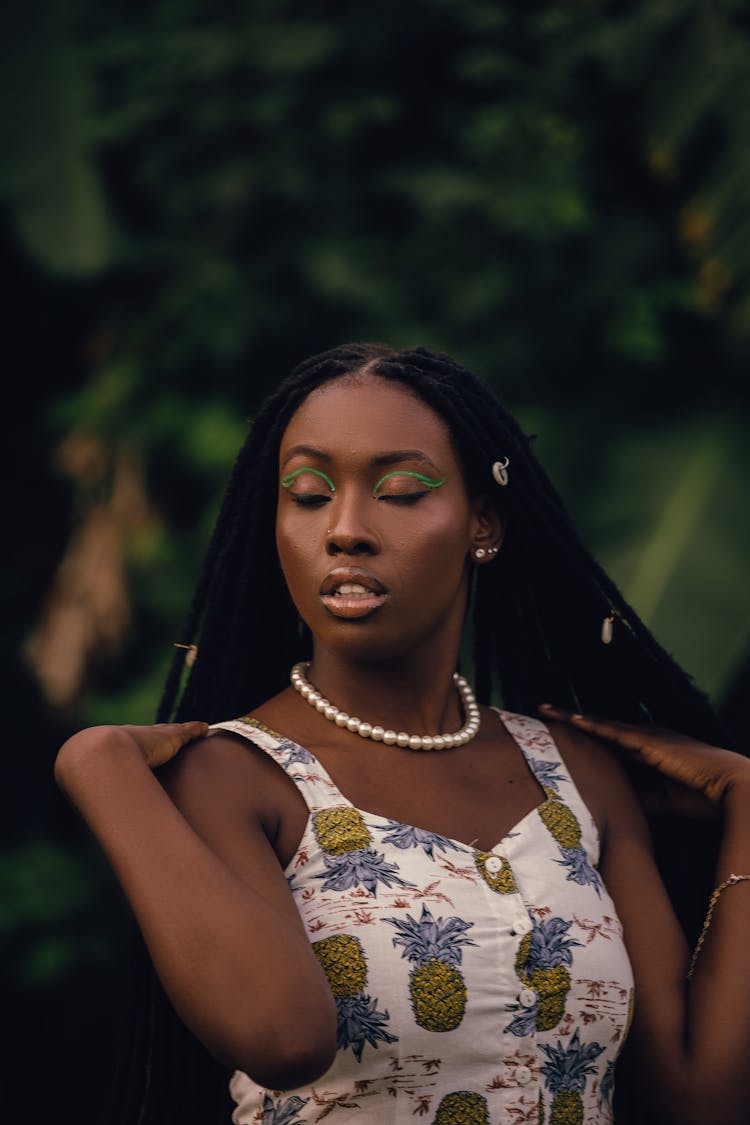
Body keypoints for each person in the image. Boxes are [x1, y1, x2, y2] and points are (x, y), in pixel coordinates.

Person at [54, 343, 750, 1125]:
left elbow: (700, 1098)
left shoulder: (576, 775)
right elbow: (284, 1039)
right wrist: (98, 763)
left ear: (483, 524)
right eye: (309, 493)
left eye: (401, 490)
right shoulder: (233, 775)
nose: (346, 528)